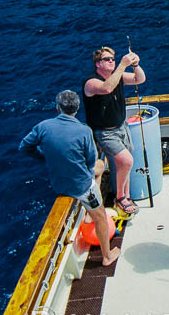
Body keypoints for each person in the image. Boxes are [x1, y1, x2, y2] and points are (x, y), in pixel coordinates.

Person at [19, 90, 120, 266]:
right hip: (82, 187)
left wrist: (45, 157)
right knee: (101, 216)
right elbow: (89, 160)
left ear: (58, 108)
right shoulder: (83, 130)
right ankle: (106, 256)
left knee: (100, 167)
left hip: (59, 184)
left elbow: (24, 147)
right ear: (77, 109)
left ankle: (88, 214)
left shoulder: (43, 126)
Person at [83, 46, 146, 216]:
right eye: (107, 59)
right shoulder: (91, 82)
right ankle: (120, 197)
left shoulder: (117, 77)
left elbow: (139, 79)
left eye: (113, 58)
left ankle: (126, 196)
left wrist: (135, 65)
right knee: (126, 161)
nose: (111, 61)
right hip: (105, 132)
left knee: (123, 164)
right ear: (97, 64)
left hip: (121, 127)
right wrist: (122, 65)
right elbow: (106, 88)